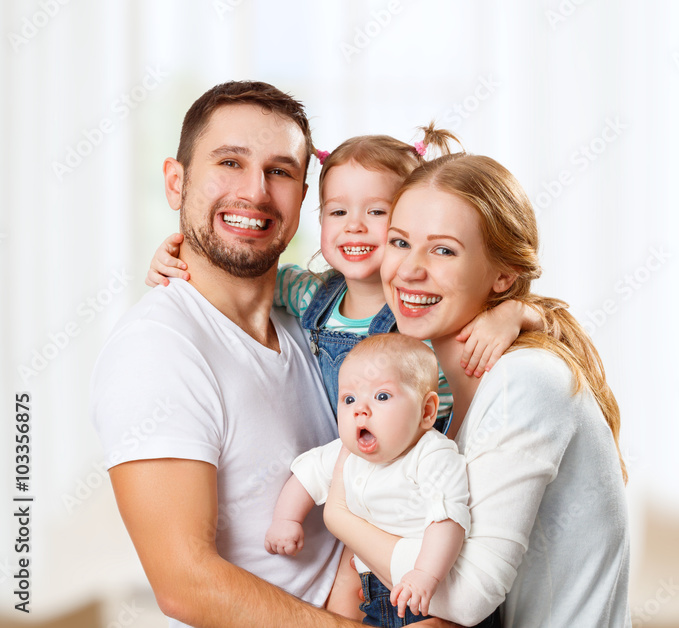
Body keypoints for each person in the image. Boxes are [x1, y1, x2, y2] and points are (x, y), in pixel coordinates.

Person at [90, 81, 428, 628]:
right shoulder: (156, 350)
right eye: (229, 162)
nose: (255, 192)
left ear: (304, 198)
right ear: (176, 183)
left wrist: (521, 312)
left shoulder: (310, 317)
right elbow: (185, 583)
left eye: (280, 171)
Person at [323, 152, 633, 627]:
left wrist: (341, 518)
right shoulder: (441, 396)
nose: (409, 270)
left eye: (443, 250)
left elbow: (466, 598)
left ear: (503, 276)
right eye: (400, 242)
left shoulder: (522, 380)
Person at [147, 128, 542, 428]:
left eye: (376, 213)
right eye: (338, 213)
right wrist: (178, 257)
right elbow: (238, 281)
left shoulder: (425, 309)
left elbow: (541, 331)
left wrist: (514, 314)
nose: (354, 227)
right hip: (349, 468)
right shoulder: (307, 293)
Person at [266, 333, 480, 626]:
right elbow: (307, 475)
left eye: (382, 396)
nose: (360, 410)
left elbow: (447, 520)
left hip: (425, 592)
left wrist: (425, 575)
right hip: (374, 590)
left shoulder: (432, 455)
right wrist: (286, 520)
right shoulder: (346, 453)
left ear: (427, 411)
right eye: (349, 399)